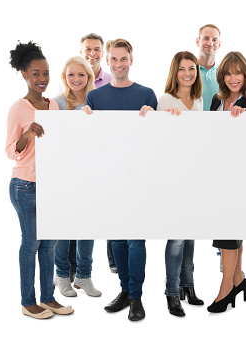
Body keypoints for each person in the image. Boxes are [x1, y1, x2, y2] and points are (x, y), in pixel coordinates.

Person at [82, 38, 157, 321]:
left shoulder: (147, 94)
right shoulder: (95, 98)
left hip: (139, 179)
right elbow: (90, 141)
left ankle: (136, 297)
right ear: (107, 61)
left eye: (123, 59)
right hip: (109, 181)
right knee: (116, 241)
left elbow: (157, 143)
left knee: (135, 241)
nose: (118, 64)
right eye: (113, 59)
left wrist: (154, 116)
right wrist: (82, 118)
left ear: (131, 60)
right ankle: (125, 291)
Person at [7, 41, 74, 319]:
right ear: (24, 74)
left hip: (51, 185)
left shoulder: (54, 106)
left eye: (46, 73)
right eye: (36, 74)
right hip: (26, 185)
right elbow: (11, 151)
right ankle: (28, 301)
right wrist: (28, 133)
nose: (42, 79)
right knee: (31, 242)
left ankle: (48, 297)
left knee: (50, 244)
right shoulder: (18, 109)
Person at [207, 51, 246, 313]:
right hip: (219, 170)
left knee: (227, 227)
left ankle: (226, 286)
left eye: (238, 73)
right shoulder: (215, 100)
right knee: (231, 225)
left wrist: (245, 116)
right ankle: (238, 279)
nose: (233, 78)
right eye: (228, 73)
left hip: (242, 174)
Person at [147, 51, 204, 317]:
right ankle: (171, 292)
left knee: (190, 236)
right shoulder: (166, 100)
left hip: (194, 175)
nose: (187, 73)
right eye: (182, 69)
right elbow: (159, 142)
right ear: (175, 71)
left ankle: (188, 286)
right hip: (173, 177)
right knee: (177, 237)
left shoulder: (199, 100)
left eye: (191, 68)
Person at [52, 56, 101, 298]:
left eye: (81, 74)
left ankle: (84, 275)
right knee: (65, 227)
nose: (76, 79)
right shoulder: (58, 102)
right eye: (71, 75)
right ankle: (61, 275)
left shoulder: (96, 100)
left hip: (90, 173)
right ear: (65, 77)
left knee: (88, 227)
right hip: (65, 173)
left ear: (89, 77)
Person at [80, 33, 117, 275]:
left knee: (112, 207)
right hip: (82, 153)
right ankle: (77, 270)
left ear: (102, 53)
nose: (92, 53)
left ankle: (113, 258)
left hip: (107, 151)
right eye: (87, 49)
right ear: (81, 51)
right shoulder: (73, 76)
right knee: (82, 212)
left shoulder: (111, 81)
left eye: (96, 49)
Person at [197, 24, 221, 111]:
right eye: (206, 38)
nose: (210, 43)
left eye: (214, 40)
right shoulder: (187, 72)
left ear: (219, 44)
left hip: (220, 123)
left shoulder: (225, 73)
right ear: (197, 41)